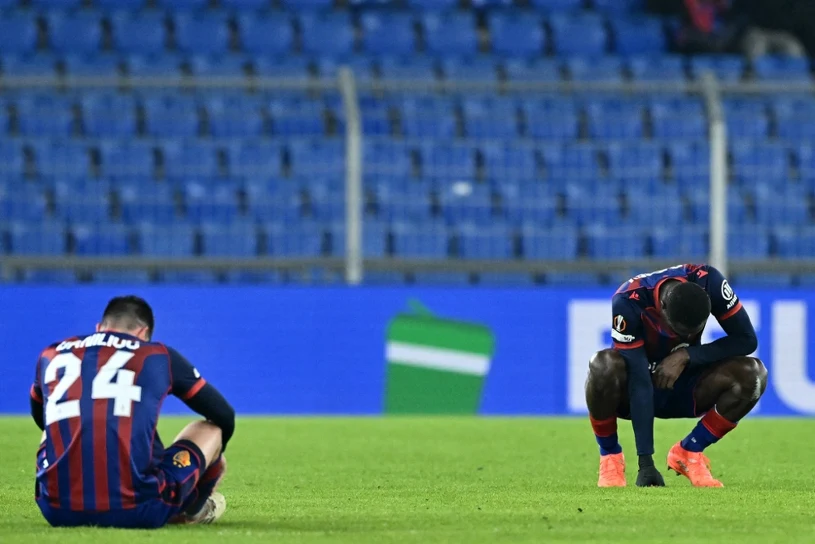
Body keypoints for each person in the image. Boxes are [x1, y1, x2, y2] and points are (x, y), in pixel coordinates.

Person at [29, 295, 236, 528]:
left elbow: (41, 417)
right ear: (143, 333)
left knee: (56, 422)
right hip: (140, 509)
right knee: (210, 429)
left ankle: (65, 487)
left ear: (99, 328)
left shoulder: (51, 353)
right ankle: (191, 510)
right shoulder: (158, 354)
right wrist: (212, 461)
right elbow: (224, 415)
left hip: (55, 509)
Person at [585, 264, 766, 488]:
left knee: (753, 374)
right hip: (637, 388)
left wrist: (687, 354)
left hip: (686, 385)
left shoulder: (709, 281)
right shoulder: (628, 300)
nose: (687, 336)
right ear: (662, 306)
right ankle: (610, 457)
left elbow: (747, 339)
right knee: (602, 365)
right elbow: (639, 381)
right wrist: (646, 464)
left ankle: (689, 452)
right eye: (680, 331)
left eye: (693, 331)